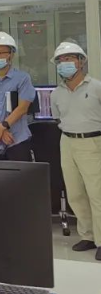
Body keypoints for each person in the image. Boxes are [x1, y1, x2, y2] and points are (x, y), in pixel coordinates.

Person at [50, 42, 101, 260]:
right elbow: (58, 118)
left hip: (92, 141)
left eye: (70, 59)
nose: (65, 63)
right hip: (67, 141)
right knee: (75, 193)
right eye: (61, 60)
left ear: (81, 62)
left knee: (97, 193)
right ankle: (88, 235)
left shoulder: (96, 87)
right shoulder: (56, 93)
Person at [0, 31, 35, 162]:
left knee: (20, 174)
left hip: (16, 139)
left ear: (11, 54)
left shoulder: (22, 78)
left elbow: (22, 108)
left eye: (0, 53)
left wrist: (1, 127)